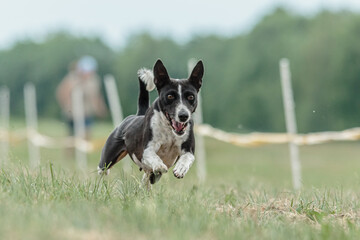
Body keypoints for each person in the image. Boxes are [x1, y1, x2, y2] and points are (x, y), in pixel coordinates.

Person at [56, 55, 107, 139]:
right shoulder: (71, 78)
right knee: (71, 139)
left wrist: (100, 109)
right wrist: (66, 106)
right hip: (72, 114)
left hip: (87, 114)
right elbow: (61, 93)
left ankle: (84, 151)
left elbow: (96, 96)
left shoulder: (94, 80)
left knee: (86, 137)